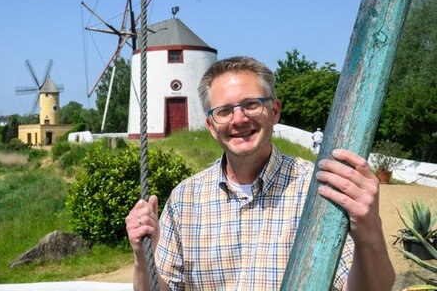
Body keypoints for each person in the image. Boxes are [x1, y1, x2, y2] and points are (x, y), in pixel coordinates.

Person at [126, 56, 395, 290]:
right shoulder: (185, 199)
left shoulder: (318, 190)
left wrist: (368, 227)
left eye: (251, 104)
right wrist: (141, 255)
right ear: (210, 125)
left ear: (274, 111)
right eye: (224, 111)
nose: (239, 118)